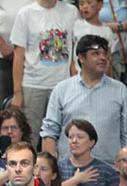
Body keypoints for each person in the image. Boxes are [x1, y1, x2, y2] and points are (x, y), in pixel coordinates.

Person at [41, 35, 127, 165]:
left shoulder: (120, 90)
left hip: (110, 170)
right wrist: (51, 170)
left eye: (104, 53)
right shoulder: (61, 90)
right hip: (69, 170)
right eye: (96, 53)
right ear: (81, 57)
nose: (103, 58)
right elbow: (49, 133)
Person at [9, 0, 78, 148]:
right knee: (29, 138)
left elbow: (73, 52)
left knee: (63, 138)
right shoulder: (25, 14)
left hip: (63, 85)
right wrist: (17, 92)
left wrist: (75, 84)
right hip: (33, 84)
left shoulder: (71, 12)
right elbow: (18, 55)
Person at [0, 0, 34, 111]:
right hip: (2, 55)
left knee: (32, 105)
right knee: (4, 104)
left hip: (33, 54)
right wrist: (2, 46)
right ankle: (3, 127)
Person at [0, 108, 31, 186]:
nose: (9, 131)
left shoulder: (31, 157)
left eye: (14, 128)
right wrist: (9, 172)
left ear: (22, 131)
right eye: (5, 128)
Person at [72, 0, 119, 77]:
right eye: (81, 4)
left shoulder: (106, 31)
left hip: (100, 78)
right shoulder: (76, 25)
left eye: (89, 3)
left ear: (100, 4)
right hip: (79, 76)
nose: (85, 6)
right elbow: (72, 57)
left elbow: (108, 59)